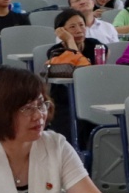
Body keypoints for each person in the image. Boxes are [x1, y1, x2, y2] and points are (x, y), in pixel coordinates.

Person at [46, 9, 108, 143]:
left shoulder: (97, 46)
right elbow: (80, 69)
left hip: (93, 97)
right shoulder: (55, 52)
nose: (79, 30)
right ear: (61, 31)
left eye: (81, 25)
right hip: (66, 102)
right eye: (72, 27)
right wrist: (69, 40)